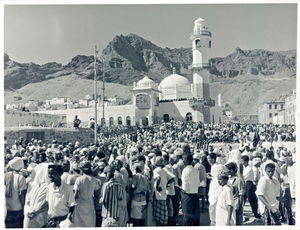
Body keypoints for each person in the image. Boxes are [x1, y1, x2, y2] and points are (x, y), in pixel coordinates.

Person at [72, 161, 100, 227]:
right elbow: (97, 195)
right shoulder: (94, 180)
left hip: (79, 206)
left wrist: (71, 207)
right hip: (90, 205)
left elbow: (75, 195)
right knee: (89, 224)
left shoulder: (79, 179)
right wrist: (96, 205)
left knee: (78, 224)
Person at [24, 162, 51, 228]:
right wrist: (35, 211)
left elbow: (28, 201)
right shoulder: (47, 187)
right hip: (39, 219)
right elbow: (46, 204)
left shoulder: (35, 185)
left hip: (30, 216)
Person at [5, 157, 27, 228]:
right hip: (17, 209)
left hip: (7, 208)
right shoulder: (21, 178)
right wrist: (24, 208)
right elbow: (22, 195)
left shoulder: (5, 175)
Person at [181, 154, 200, 226]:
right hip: (195, 195)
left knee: (187, 219)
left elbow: (185, 187)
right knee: (195, 219)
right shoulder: (196, 170)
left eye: (184, 159)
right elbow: (198, 183)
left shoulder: (185, 170)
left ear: (186, 161)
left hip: (187, 197)